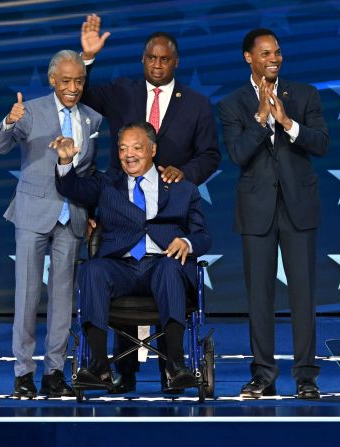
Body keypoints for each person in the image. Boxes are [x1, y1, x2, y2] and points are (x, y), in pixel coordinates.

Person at [79, 14, 221, 393]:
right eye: (150, 59)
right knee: (110, 265)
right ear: (143, 60)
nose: (157, 65)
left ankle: (172, 368)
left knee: (165, 270)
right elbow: (84, 96)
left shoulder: (196, 104)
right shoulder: (122, 91)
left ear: (175, 62)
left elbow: (209, 155)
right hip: (120, 207)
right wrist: (87, 59)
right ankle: (115, 370)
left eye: (164, 59)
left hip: (168, 210)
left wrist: (183, 175)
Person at [53, 121, 211, 393]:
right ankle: (99, 366)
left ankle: (175, 366)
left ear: (152, 149)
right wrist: (65, 162)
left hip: (162, 265)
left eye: (137, 148)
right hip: (120, 267)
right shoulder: (107, 183)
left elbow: (203, 236)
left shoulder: (182, 189)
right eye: (123, 148)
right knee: (93, 270)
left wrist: (186, 242)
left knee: (170, 268)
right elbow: (73, 189)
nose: (129, 155)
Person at [218, 29, 329, 399]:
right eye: (265, 53)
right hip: (256, 211)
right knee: (259, 297)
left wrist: (287, 124)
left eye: (277, 52)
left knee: (303, 295)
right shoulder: (232, 104)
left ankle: (306, 377)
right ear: (248, 57)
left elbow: (322, 143)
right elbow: (237, 154)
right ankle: (263, 375)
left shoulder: (304, 95)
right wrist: (262, 119)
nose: (274, 59)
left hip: (299, 207)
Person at [0, 50, 102, 398]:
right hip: (33, 214)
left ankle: (55, 373)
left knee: (63, 299)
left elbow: (86, 172)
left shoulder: (92, 119)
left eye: (79, 81)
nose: (73, 87)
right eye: (66, 81)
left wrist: (91, 210)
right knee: (27, 295)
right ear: (53, 80)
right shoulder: (31, 110)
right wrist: (9, 121)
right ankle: (23, 373)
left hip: (72, 217)